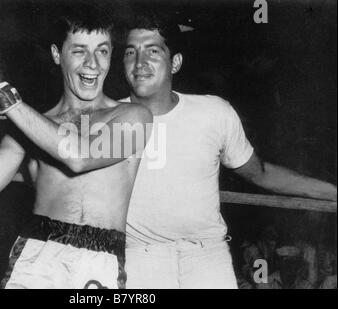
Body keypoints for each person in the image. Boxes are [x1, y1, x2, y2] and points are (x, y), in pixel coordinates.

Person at [121, 8, 337, 289]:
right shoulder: (106, 120)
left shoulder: (214, 113)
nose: (139, 63)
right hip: (139, 259)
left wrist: (332, 192)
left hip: (207, 258)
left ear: (175, 62)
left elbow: (260, 173)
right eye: (130, 52)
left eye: (152, 52)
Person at [0, 4, 152, 289]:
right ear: (57, 55)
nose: (92, 63)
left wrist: (0, 93)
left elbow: (80, 157)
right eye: (79, 51)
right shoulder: (32, 125)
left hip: (100, 260)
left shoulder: (133, 117)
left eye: (102, 50)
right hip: (37, 256)